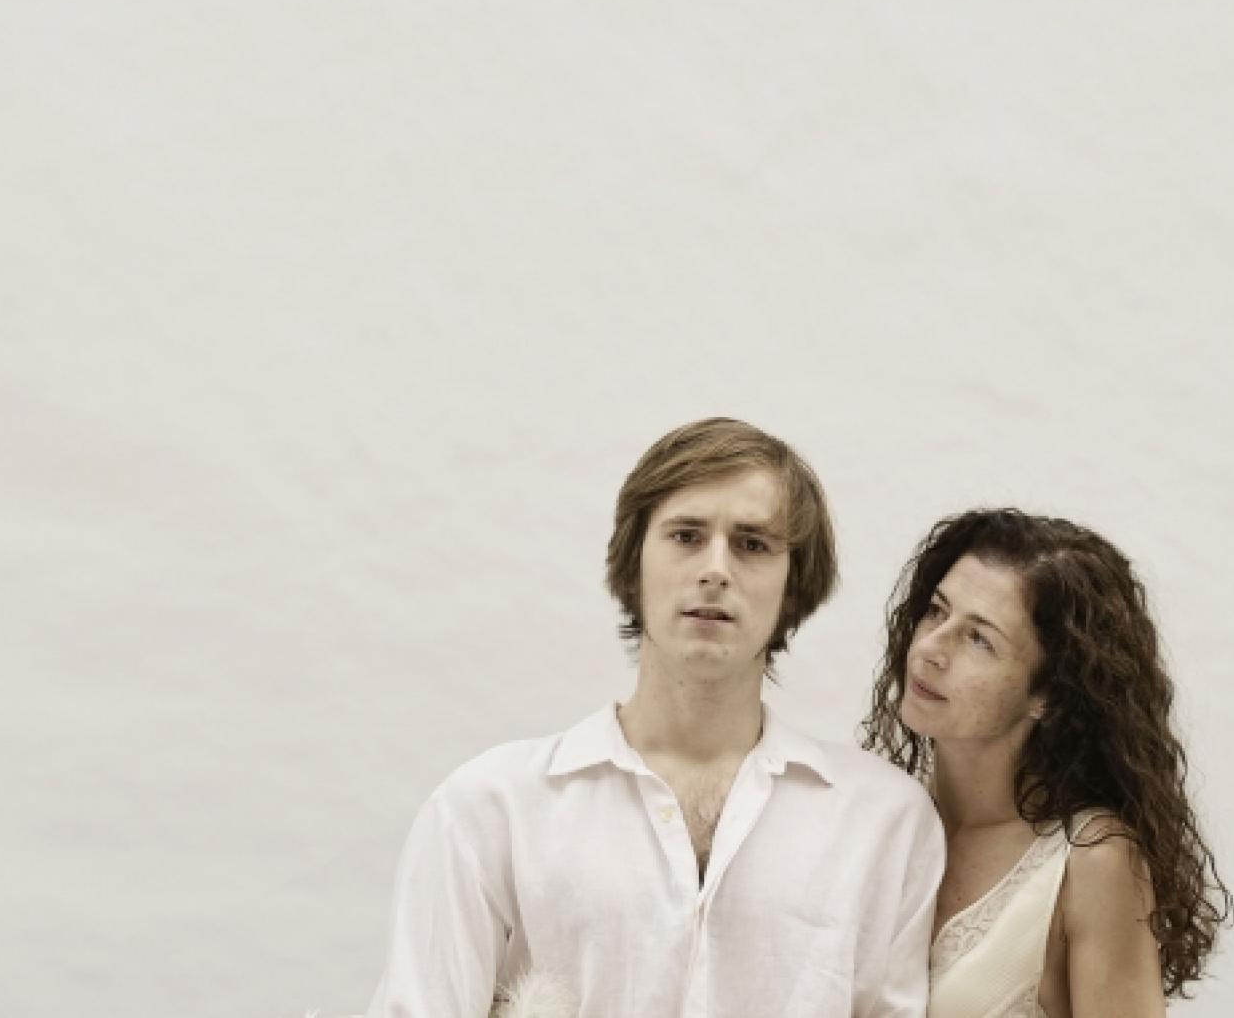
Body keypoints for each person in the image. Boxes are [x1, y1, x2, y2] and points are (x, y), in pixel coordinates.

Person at [366, 418, 945, 1017]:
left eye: (752, 544)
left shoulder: (885, 823)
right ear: (633, 565)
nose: (715, 569)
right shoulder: (490, 810)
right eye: (686, 536)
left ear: (794, 585)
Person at [859, 509, 1232, 1018]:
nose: (930, 648)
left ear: (1049, 695)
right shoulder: (878, 817)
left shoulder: (1091, 862)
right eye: (936, 611)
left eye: (979, 639)